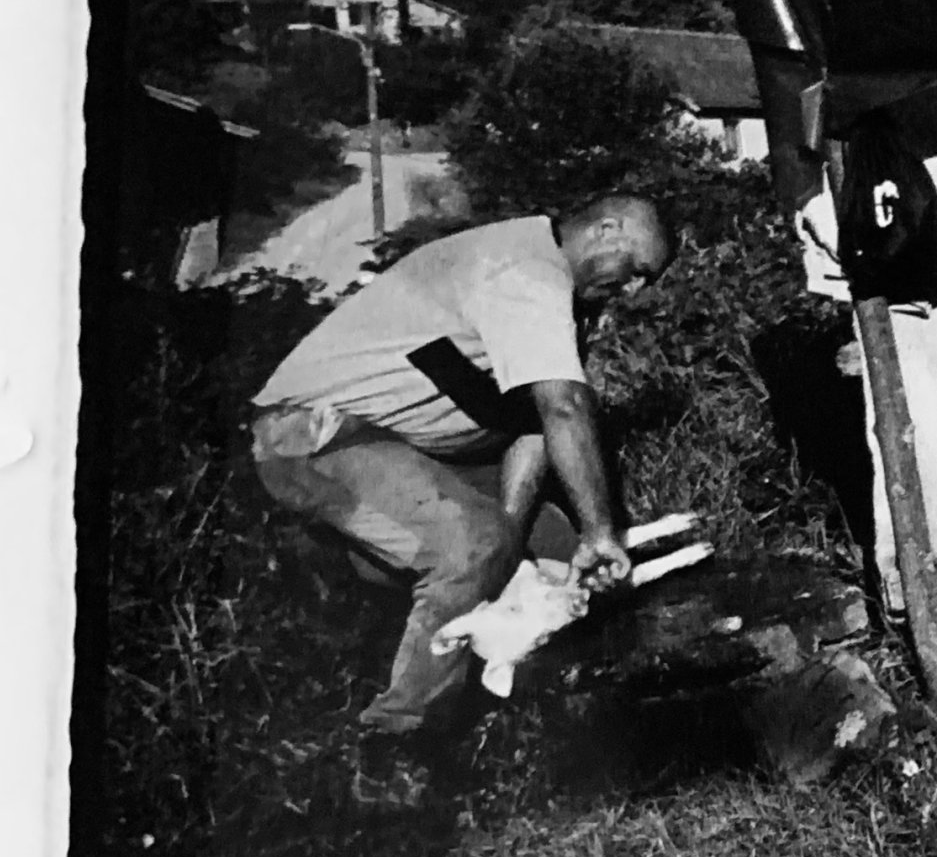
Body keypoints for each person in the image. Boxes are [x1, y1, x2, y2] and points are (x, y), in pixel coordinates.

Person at [249, 194, 677, 755]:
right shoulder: (526, 271)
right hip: (310, 437)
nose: (636, 290)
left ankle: (531, 712)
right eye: (637, 270)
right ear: (607, 229)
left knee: (551, 547)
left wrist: (513, 540)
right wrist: (597, 532)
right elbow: (564, 409)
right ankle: (398, 743)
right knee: (474, 543)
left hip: (398, 446)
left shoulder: (557, 291)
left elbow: (532, 424)